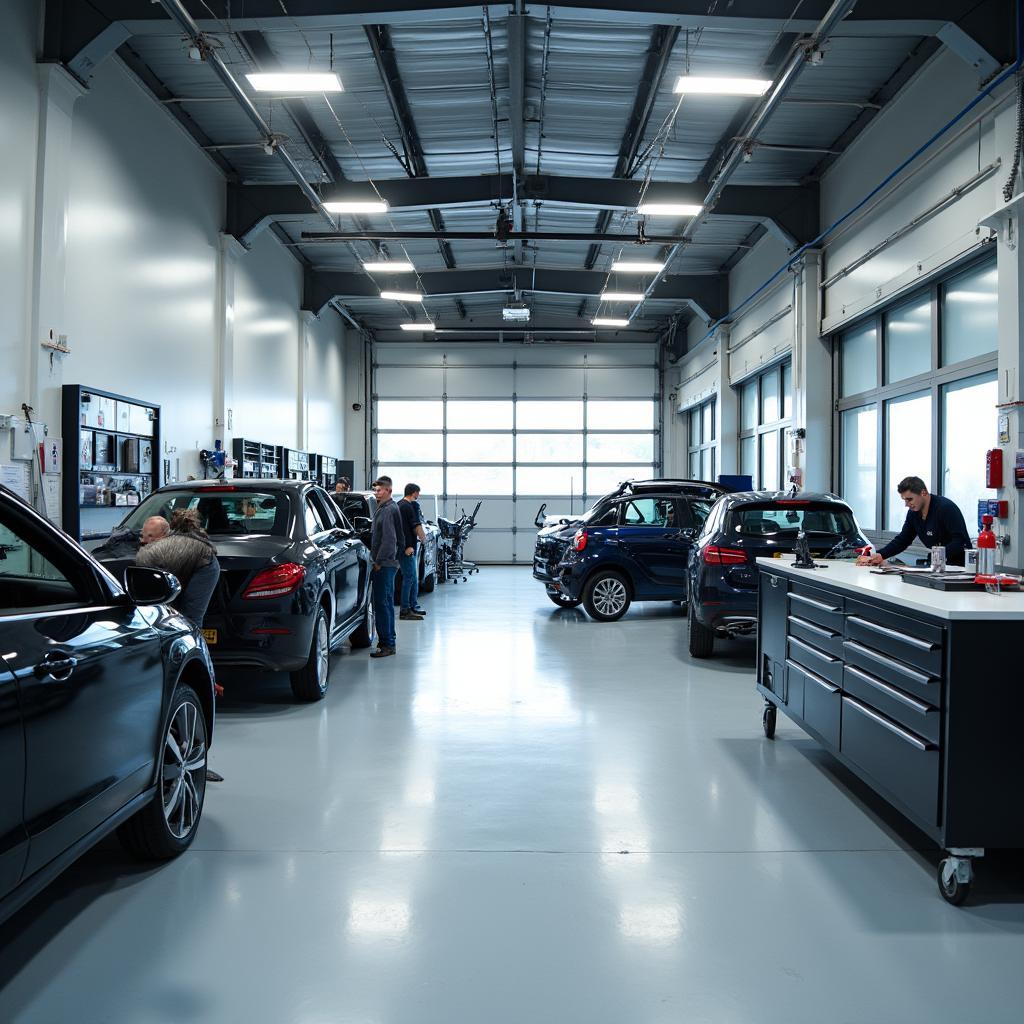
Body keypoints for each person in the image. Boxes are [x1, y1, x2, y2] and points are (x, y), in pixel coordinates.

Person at [857, 476, 972, 567]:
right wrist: (880, 555)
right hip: (938, 566)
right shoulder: (913, 513)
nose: (906, 504)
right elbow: (903, 540)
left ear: (923, 493)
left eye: (909, 499)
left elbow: (960, 541)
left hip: (959, 568)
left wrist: (936, 555)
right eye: (904, 500)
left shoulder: (946, 508)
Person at [369, 475, 403, 658]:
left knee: (382, 604)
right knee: (386, 603)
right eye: (375, 490)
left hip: (384, 564)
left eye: (380, 490)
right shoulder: (384, 508)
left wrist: (378, 562)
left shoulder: (388, 510)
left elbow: (390, 540)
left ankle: (387, 644)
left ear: (389, 490)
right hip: (386, 563)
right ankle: (389, 641)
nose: (377, 493)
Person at [398, 483, 428, 620]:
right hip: (407, 548)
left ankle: (413, 605)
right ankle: (405, 609)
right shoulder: (408, 507)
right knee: (409, 577)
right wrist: (423, 538)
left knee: (413, 577)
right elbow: (414, 526)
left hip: (407, 547)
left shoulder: (400, 505)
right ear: (414, 493)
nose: (419, 496)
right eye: (418, 493)